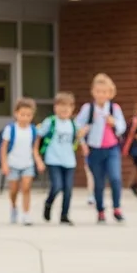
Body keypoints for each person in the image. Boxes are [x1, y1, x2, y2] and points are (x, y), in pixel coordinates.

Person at [76, 73, 127, 223]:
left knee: (116, 178)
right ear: (93, 92)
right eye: (98, 91)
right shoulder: (88, 108)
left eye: (105, 92)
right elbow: (77, 126)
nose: (101, 95)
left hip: (111, 149)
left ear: (110, 93)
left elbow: (122, 127)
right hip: (94, 149)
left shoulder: (114, 108)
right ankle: (100, 210)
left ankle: (117, 208)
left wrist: (114, 123)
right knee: (98, 182)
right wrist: (82, 140)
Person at [0, 97, 45, 225]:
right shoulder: (10, 129)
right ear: (16, 114)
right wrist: (4, 164)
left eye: (28, 115)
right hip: (13, 164)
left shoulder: (33, 130)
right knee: (13, 190)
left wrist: (39, 162)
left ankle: (26, 214)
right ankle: (14, 206)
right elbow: (3, 149)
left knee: (26, 188)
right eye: (22, 114)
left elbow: (34, 149)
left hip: (27, 164)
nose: (25, 117)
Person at [36, 92, 78, 225]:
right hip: (53, 159)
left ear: (72, 109)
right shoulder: (51, 121)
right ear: (55, 107)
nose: (64, 109)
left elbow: (76, 141)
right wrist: (38, 156)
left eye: (68, 106)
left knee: (68, 189)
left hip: (69, 160)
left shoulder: (73, 124)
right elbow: (39, 135)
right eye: (61, 106)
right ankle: (48, 204)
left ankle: (64, 215)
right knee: (57, 186)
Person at [122, 99, 137, 198]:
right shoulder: (134, 121)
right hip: (136, 149)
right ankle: (134, 185)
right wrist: (135, 136)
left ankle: (134, 184)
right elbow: (127, 133)